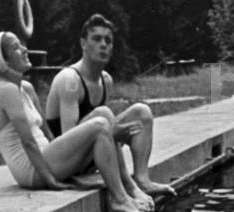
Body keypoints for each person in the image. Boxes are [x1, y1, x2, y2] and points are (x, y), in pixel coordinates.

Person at [0, 31, 148, 212]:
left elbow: (46, 132)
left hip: (46, 157)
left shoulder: (26, 88)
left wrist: (66, 154)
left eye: (21, 45)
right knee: (100, 125)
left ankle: (129, 186)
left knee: (104, 113)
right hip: (31, 171)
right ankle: (120, 198)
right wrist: (50, 180)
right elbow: (28, 141)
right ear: (3, 61)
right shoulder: (6, 90)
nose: (24, 49)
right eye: (15, 47)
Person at [45, 13, 176, 201]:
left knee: (142, 112)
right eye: (97, 39)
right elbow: (69, 139)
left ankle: (142, 179)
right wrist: (114, 133)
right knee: (104, 114)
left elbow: (104, 131)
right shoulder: (70, 80)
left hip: (88, 155)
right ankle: (128, 187)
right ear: (83, 44)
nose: (104, 45)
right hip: (64, 162)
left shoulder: (106, 80)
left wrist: (113, 133)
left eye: (108, 40)